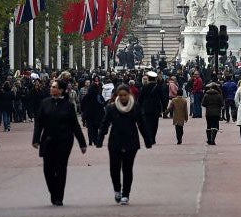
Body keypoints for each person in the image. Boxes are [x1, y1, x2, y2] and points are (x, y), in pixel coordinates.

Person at [32, 79, 87, 207]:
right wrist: (35, 139)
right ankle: (53, 191)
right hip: (48, 140)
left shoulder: (68, 105)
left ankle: (59, 197)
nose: (51, 88)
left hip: (64, 141)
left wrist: (82, 143)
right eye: (51, 87)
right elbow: (39, 123)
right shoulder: (45, 103)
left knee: (61, 168)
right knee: (48, 169)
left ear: (61, 90)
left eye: (54, 87)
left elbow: (75, 125)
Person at [96, 84, 152, 205]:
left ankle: (126, 194)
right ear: (116, 96)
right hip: (115, 142)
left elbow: (141, 124)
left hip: (131, 142)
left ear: (129, 95)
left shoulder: (135, 107)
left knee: (127, 169)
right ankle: (117, 189)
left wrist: (148, 140)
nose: (122, 97)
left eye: (125, 95)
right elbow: (104, 124)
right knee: (114, 168)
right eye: (120, 95)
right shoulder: (111, 108)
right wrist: (100, 139)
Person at [139, 71, 163, 144]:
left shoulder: (144, 87)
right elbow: (163, 98)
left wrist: (139, 108)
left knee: (147, 124)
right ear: (155, 79)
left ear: (149, 78)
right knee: (155, 124)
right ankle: (153, 138)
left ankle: (149, 138)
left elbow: (140, 99)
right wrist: (164, 108)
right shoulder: (158, 87)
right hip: (156, 108)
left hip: (146, 108)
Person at [80, 81, 105, 147]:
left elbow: (82, 104)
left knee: (90, 128)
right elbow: (102, 104)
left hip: (88, 114)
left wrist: (83, 112)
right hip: (97, 114)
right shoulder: (98, 96)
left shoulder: (87, 96)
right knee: (96, 128)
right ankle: (95, 140)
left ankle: (90, 141)